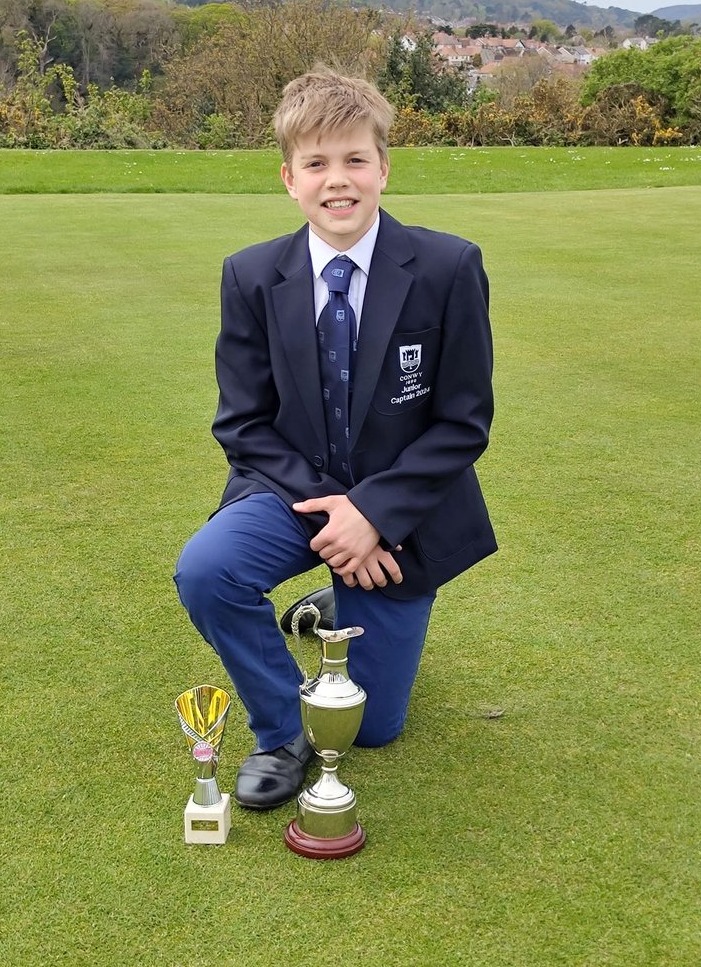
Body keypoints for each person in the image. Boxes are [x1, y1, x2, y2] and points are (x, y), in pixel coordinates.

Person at [174, 68, 496, 809]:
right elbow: (242, 424)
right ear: (290, 179)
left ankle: (332, 599)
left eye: (355, 159)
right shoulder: (252, 275)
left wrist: (375, 515)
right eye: (317, 164)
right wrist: (337, 520)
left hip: (404, 517)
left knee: (374, 728)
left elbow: (463, 422)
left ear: (384, 167)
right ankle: (280, 731)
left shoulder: (448, 267)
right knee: (207, 570)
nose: (338, 180)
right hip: (290, 495)